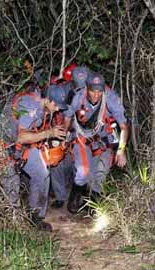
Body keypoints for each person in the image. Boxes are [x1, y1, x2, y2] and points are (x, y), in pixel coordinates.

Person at [64, 72, 128, 214]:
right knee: (83, 172)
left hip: (104, 140)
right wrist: (65, 135)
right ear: (87, 88)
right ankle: (75, 196)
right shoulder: (77, 97)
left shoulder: (111, 98)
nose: (96, 95)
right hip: (82, 138)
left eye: (99, 91)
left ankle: (92, 203)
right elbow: (67, 117)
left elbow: (124, 127)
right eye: (93, 91)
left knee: (100, 174)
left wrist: (121, 150)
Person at [13, 85, 68, 231]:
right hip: (4, 147)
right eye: (55, 105)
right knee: (10, 191)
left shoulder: (43, 108)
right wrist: (49, 133)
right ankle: (10, 227)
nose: (57, 109)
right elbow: (20, 137)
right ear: (47, 99)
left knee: (42, 174)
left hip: (23, 147)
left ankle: (36, 217)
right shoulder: (29, 105)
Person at [46, 66, 91, 209]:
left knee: (78, 166)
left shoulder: (81, 95)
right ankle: (60, 196)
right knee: (56, 163)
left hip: (74, 133)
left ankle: (77, 195)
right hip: (57, 131)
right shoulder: (55, 91)